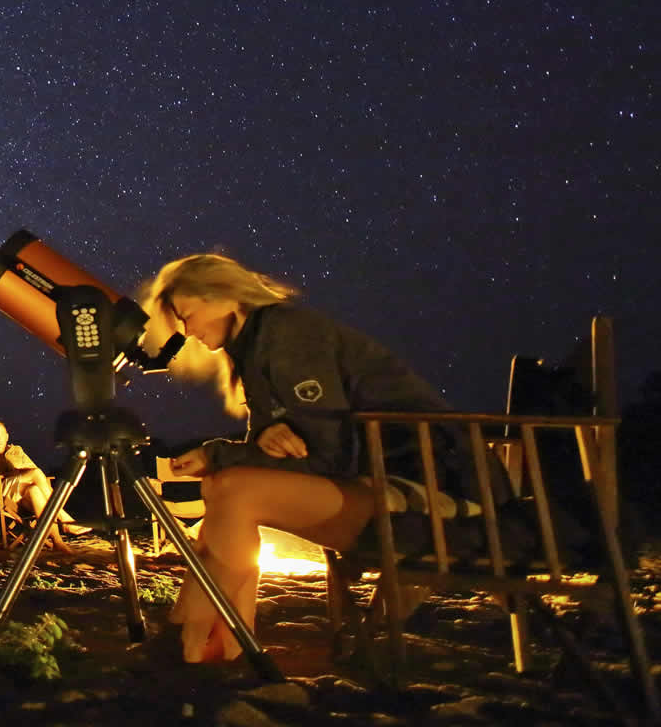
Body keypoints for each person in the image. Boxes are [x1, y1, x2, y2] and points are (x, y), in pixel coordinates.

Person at [144, 252, 494, 663]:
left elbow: (329, 457)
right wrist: (263, 436)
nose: (187, 330)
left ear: (224, 298)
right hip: (373, 477)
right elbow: (292, 440)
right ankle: (218, 649)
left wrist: (218, 452)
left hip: (436, 490)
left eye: (188, 314)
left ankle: (189, 642)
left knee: (236, 490)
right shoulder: (256, 345)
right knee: (223, 486)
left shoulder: (290, 336)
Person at [0, 420, 92, 547]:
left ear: (7, 436)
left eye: (2, 434)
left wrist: (18, 473)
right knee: (36, 474)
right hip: (1, 492)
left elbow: (31, 469)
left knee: (35, 490)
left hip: (20, 490)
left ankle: (57, 541)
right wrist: (9, 473)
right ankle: (64, 519)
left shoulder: (16, 451)